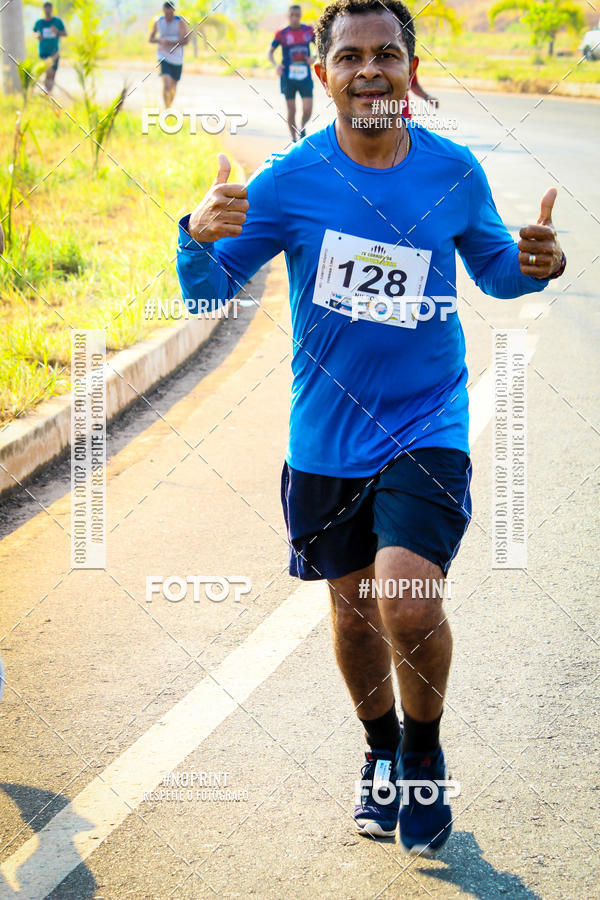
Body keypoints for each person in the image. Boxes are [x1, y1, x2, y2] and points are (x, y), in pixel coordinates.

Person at [176, 0, 566, 856]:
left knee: (407, 589)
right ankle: (379, 752)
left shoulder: (453, 172)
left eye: (387, 53)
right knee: (354, 616)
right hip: (324, 438)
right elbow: (205, 292)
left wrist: (538, 262)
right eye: (349, 57)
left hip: (430, 422)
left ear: (411, 71)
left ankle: (423, 758)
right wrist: (193, 238)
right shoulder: (287, 182)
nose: (369, 71)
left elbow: (499, 272)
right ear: (323, 76)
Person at [268, 4, 316, 141]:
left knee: (307, 109)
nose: (294, 18)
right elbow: (270, 52)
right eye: (292, 15)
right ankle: (294, 139)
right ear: (287, 16)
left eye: (297, 15)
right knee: (292, 110)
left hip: (305, 76)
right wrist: (276, 65)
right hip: (288, 77)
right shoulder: (281, 34)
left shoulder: (308, 31)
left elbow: (319, 46)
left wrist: (314, 57)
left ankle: (301, 126)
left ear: (300, 16)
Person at [149, 1, 189, 108]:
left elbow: (186, 41)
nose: (168, 16)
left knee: (173, 87)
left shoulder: (180, 22)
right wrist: (160, 41)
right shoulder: (159, 21)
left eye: (170, 13)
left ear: (174, 11)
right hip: (163, 57)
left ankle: (169, 107)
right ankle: (166, 108)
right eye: (166, 14)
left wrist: (170, 42)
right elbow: (151, 39)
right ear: (163, 11)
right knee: (166, 85)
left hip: (177, 59)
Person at [33, 2, 67, 95]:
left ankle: (48, 92)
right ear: (44, 10)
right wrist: (37, 35)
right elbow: (34, 32)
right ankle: (46, 92)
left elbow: (65, 33)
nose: (47, 10)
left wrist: (57, 31)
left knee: (52, 74)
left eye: (49, 8)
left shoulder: (57, 22)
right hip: (43, 52)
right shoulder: (39, 22)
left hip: (54, 52)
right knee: (48, 71)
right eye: (46, 8)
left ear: (52, 9)